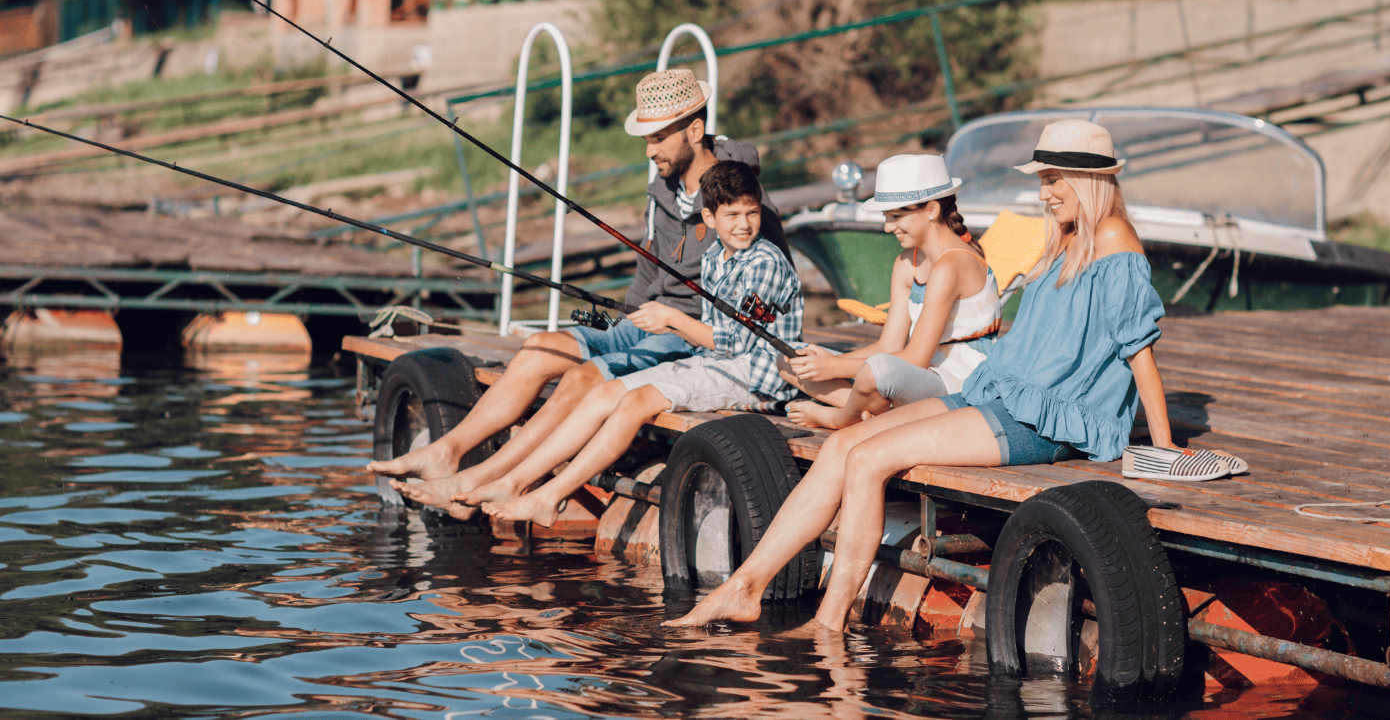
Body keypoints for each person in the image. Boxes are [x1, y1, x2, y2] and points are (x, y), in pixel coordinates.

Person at [664, 119, 1176, 632]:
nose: (1043, 193)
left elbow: (1138, 346)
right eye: (1042, 180)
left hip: (1053, 416)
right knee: (845, 446)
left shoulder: (1113, 234)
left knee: (868, 459)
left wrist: (1164, 446)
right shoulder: (1064, 237)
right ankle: (744, 586)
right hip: (1006, 393)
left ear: (1086, 180)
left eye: (1052, 180)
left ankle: (827, 623)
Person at [368, 69, 789, 514]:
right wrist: (626, 319)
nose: (650, 152)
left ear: (695, 130)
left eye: (659, 138)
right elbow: (648, 268)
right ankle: (447, 452)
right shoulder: (663, 190)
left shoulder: (740, 198)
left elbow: (768, 287)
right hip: (645, 320)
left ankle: (486, 481)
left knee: (583, 378)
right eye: (646, 140)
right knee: (540, 347)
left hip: (689, 336)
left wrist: (690, 322)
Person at [470, 160, 804, 526]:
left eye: (752, 213)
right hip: (717, 362)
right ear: (709, 218)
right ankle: (513, 482)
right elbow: (714, 335)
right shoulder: (714, 258)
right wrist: (662, 323)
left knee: (634, 403)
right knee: (602, 393)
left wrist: (673, 319)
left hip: (757, 375)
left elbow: (739, 341)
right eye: (733, 214)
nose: (744, 224)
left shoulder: (765, 262)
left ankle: (549, 497)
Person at [781, 154, 999, 431]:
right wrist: (823, 362)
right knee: (790, 359)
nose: (887, 227)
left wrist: (834, 367)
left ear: (932, 210)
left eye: (896, 216)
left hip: (959, 384)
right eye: (886, 217)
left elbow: (916, 358)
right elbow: (889, 346)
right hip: (916, 375)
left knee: (876, 372)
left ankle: (840, 418)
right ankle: (868, 409)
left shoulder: (951, 265)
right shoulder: (906, 263)